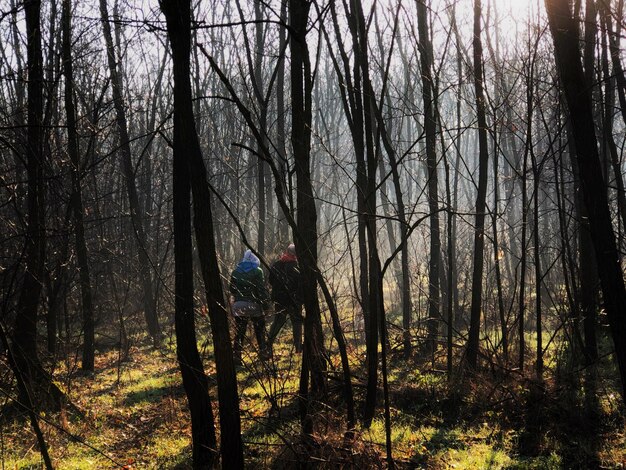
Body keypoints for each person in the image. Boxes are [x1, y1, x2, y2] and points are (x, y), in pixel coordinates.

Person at [229, 249, 269, 364]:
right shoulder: (258, 271)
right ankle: (263, 353)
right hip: (253, 305)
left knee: (240, 332)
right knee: (259, 330)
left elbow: (232, 289)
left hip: (238, 305)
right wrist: (265, 304)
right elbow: (261, 289)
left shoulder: (235, 271)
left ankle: (237, 356)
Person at [267, 244, 303, 353]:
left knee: (278, 321)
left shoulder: (277, 264)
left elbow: (271, 280)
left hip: (280, 299)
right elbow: (301, 284)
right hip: (294, 300)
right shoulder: (297, 266)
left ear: (287, 252)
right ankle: (298, 347)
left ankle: (268, 345)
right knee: (296, 322)